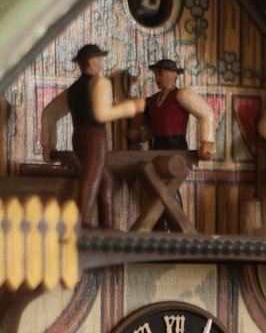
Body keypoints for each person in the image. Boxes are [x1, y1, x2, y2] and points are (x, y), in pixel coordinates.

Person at [40, 45, 145, 227]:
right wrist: (131, 108)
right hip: (95, 137)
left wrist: (48, 144)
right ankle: (83, 222)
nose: (100, 63)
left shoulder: (73, 89)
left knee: (106, 180)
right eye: (99, 59)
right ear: (93, 61)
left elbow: (49, 113)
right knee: (92, 177)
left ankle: (107, 226)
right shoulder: (100, 83)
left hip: (78, 137)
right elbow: (101, 115)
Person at [142, 59, 215, 158]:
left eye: (160, 74)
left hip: (177, 152)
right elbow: (157, 127)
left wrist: (207, 142)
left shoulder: (182, 94)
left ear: (174, 74)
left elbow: (207, 113)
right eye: (156, 75)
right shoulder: (153, 100)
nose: (157, 79)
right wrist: (140, 135)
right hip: (157, 150)